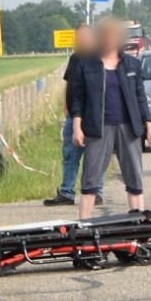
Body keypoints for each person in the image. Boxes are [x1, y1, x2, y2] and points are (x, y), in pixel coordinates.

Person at [70, 18, 151, 221]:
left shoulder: (132, 64)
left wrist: (149, 127)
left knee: (134, 178)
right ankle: (84, 226)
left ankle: (138, 223)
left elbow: (140, 97)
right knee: (90, 180)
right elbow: (78, 98)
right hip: (98, 128)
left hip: (129, 128)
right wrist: (77, 126)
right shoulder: (87, 64)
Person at [44, 24, 98, 207]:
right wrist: (66, 106)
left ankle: (96, 192)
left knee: (95, 155)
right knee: (70, 155)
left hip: (93, 116)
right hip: (72, 116)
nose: (81, 40)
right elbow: (69, 83)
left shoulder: (99, 58)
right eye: (78, 37)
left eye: (84, 36)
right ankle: (67, 192)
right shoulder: (75, 58)